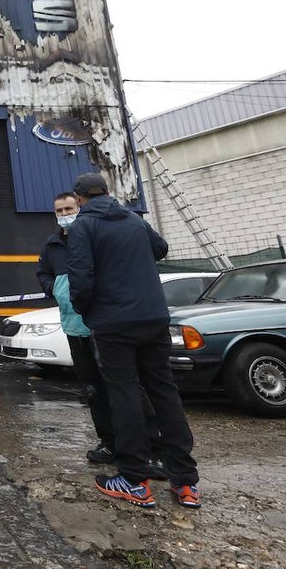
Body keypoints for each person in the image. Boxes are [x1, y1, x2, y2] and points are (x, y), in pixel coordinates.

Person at [65, 172, 200, 509]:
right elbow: (162, 248)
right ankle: (184, 482)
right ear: (108, 192)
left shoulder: (84, 226)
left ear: (79, 198)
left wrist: (86, 310)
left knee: (123, 393)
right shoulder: (133, 220)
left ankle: (134, 480)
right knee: (164, 391)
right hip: (154, 317)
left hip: (114, 323)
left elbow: (81, 279)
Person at [36, 192, 165, 475]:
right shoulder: (53, 244)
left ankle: (152, 448)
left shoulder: (94, 233)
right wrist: (55, 290)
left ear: (79, 206)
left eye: (69, 207)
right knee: (94, 389)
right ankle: (109, 442)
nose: (64, 213)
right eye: (59, 210)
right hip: (74, 326)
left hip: (104, 325)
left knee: (128, 388)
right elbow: (43, 272)